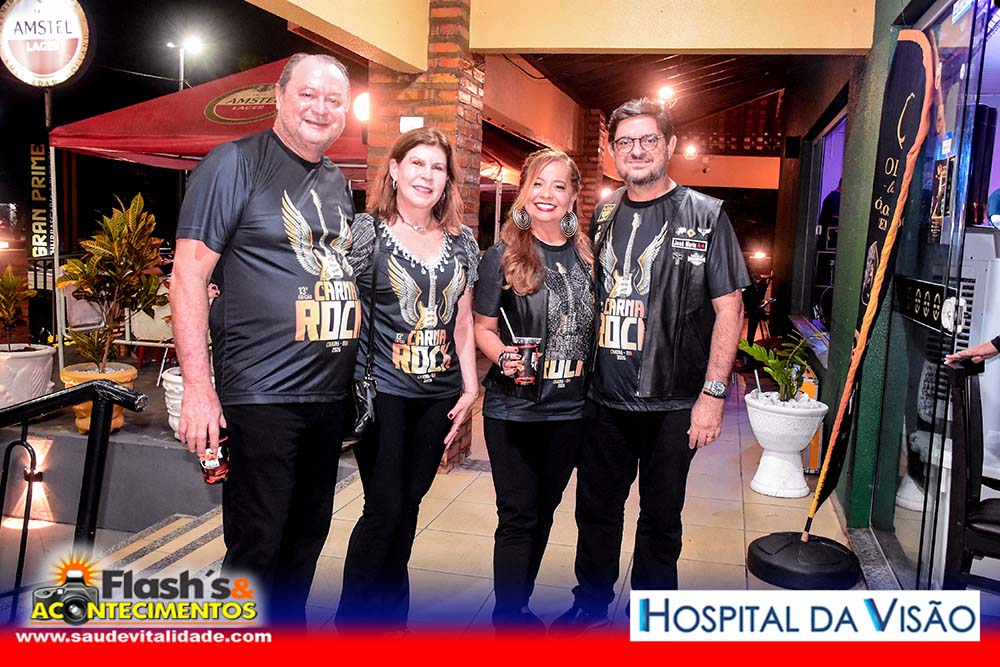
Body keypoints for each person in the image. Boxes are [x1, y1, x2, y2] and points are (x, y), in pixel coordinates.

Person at [172, 53, 365, 626]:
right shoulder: (233, 162)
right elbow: (188, 277)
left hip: (326, 397)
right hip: (261, 397)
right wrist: (199, 390)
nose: (321, 108)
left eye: (334, 100)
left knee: (305, 542)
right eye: (308, 94)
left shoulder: (336, 181)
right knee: (258, 547)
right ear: (279, 97)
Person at [553, 98, 750, 632]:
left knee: (661, 517)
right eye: (625, 142)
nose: (636, 150)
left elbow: (730, 309)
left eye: (648, 140)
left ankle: (653, 615)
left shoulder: (706, 215)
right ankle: (591, 603)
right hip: (604, 399)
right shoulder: (604, 213)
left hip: (674, 401)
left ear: (669, 145)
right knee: (596, 510)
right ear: (613, 151)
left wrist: (713, 394)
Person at [335, 128, 480, 629]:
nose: (427, 175)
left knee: (410, 503)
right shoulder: (365, 233)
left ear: (447, 180)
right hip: (383, 393)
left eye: (437, 168)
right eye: (417, 163)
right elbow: (338, 307)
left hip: (438, 396)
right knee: (384, 507)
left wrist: (470, 386)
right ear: (394, 170)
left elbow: (463, 321)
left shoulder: (462, 242)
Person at [473, 149, 595, 630]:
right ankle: (508, 618)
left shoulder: (588, 257)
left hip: (571, 412)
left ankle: (520, 604)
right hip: (515, 410)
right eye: (538, 184)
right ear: (524, 191)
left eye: (559, 185)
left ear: (573, 197)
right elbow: (483, 327)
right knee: (518, 514)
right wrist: (504, 355)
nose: (547, 194)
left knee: (544, 511)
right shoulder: (501, 256)